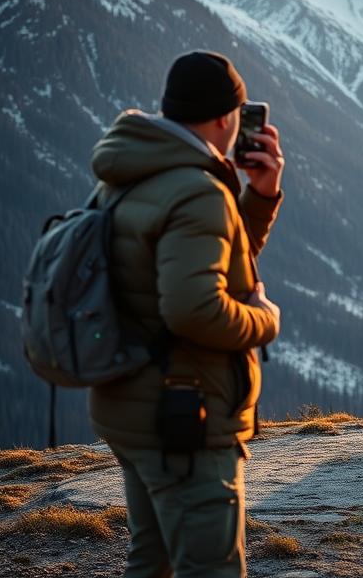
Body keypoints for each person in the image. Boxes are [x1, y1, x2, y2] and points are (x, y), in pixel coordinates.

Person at [89, 51, 285, 577]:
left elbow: (210, 261)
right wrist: (265, 318)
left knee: (151, 560)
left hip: (130, 404)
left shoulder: (133, 172)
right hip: (184, 418)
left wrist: (261, 197)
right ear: (225, 117)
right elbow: (194, 309)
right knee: (210, 569)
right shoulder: (198, 190)